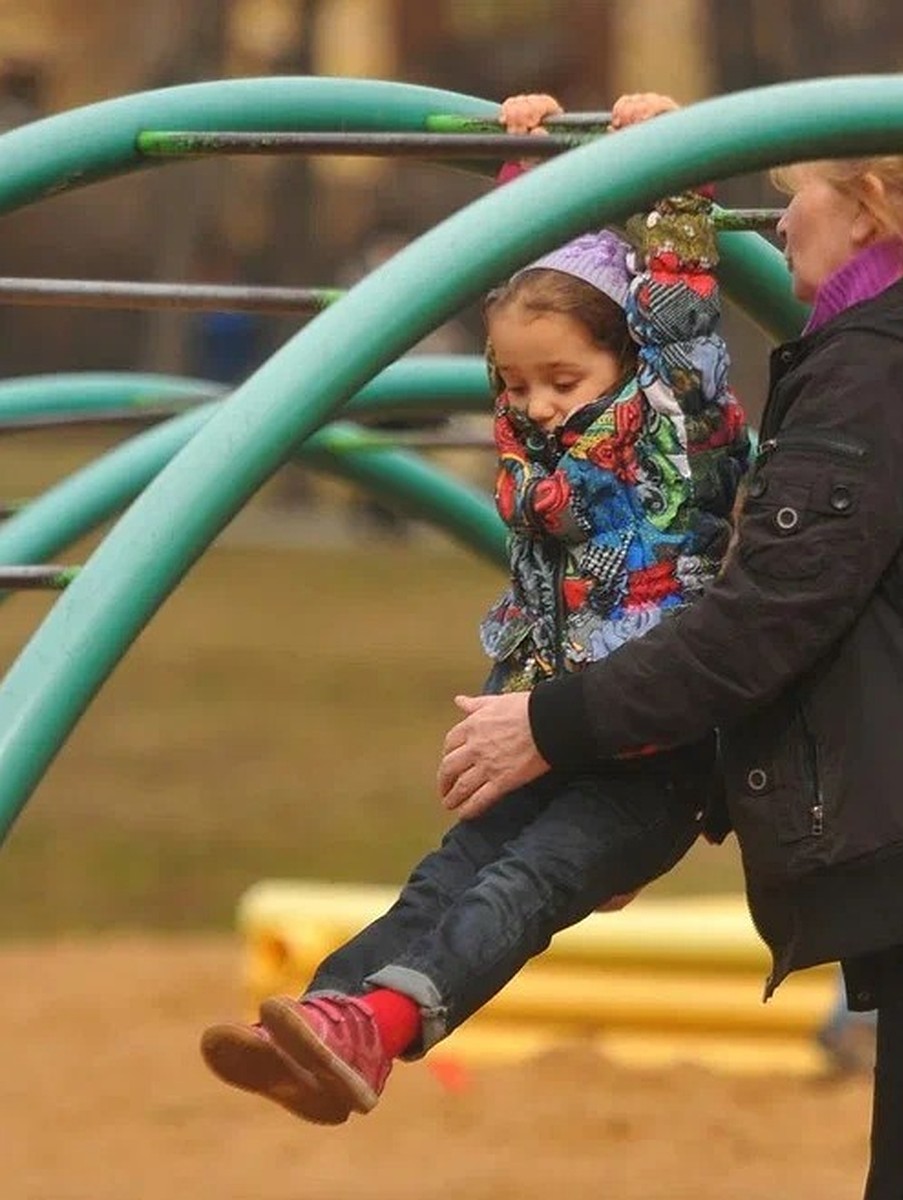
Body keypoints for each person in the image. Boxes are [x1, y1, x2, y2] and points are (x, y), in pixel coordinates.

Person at [438, 148, 903, 1199]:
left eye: (799, 199)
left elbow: (767, 620)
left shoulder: (880, 367)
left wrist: (550, 726)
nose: (782, 227)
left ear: (868, 207)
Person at [198, 92, 749, 1126]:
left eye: (563, 380)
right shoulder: (533, 440)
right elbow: (531, 281)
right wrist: (526, 173)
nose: (538, 403)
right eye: (517, 385)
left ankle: (386, 1027)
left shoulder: (673, 423)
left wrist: (672, 169)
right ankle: (326, 1023)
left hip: (654, 754)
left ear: (623, 363)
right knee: (439, 881)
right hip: (553, 730)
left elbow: (680, 318)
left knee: (512, 892)